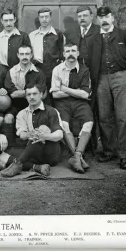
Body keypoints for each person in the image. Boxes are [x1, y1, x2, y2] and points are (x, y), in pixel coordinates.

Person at [87, 6, 126, 170]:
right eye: (101, 17)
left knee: (123, 117)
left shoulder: (124, 34)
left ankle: (124, 156)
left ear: (112, 18)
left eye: (107, 16)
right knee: (104, 117)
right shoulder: (94, 38)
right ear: (98, 20)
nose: (104, 19)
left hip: (120, 77)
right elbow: (90, 60)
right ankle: (109, 151)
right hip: (101, 79)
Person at [0, 83, 63, 177]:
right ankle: (37, 167)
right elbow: (22, 135)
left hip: (51, 153)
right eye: (29, 94)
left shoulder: (51, 111)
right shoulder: (22, 113)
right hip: (33, 153)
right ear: (25, 97)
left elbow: (59, 134)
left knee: (42, 130)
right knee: (3, 156)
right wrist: (31, 134)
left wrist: (44, 136)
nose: (32, 97)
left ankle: (17, 164)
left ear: (41, 95)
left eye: (35, 94)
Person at [50, 43, 93, 173]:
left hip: (80, 103)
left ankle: (76, 156)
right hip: (62, 103)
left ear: (78, 53)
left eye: (73, 51)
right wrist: (76, 91)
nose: (70, 53)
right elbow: (55, 94)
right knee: (64, 124)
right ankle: (78, 157)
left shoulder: (84, 70)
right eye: (67, 51)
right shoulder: (57, 70)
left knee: (89, 123)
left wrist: (64, 88)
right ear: (63, 54)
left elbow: (85, 94)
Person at [4, 45, 47, 145]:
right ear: (18, 55)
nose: (24, 56)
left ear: (31, 55)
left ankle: (36, 145)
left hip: (34, 104)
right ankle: (11, 147)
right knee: (8, 118)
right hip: (16, 104)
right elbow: (13, 94)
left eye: (27, 54)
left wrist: (22, 92)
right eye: (22, 54)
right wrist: (32, 92)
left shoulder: (39, 73)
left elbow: (41, 94)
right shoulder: (12, 72)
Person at [29, 7, 64, 93]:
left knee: (54, 93)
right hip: (37, 69)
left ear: (50, 17)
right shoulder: (32, 35)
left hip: (54, 69)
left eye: (46, 17)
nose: (44, 19)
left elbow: (62, 52)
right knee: (39, 93)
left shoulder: (58, 34)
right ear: (39, 18)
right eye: (41, 17)